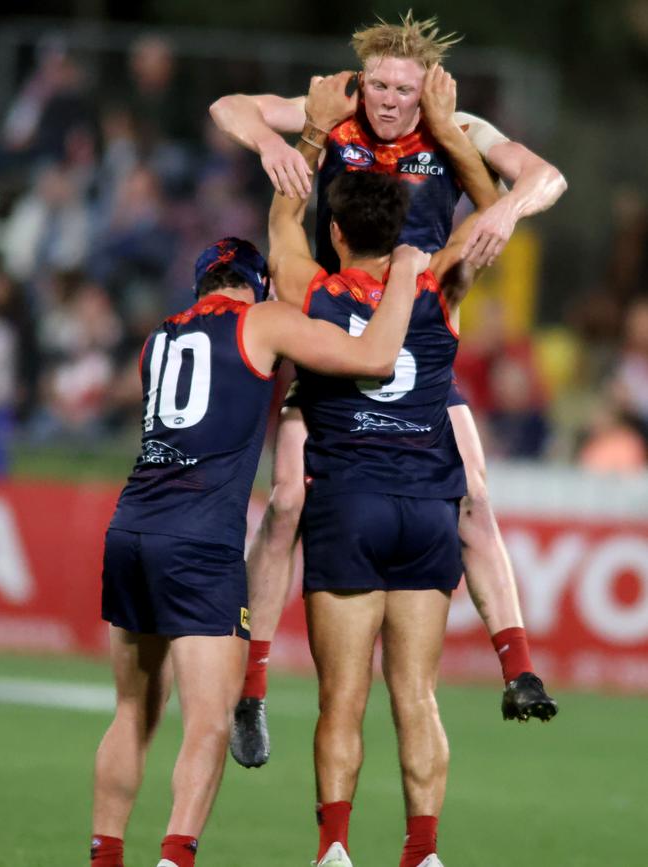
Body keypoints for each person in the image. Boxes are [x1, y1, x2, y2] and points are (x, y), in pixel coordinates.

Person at [210, 12, 565, 768]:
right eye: (379, 84)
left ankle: (521, 666)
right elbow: (227, 107)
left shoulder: (453, 119)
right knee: (286, 504)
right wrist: (275, 141)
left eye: (405, 87)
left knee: (474, 492)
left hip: (420, 338)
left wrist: (503, 204)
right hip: (334, 335)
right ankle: (253, 688)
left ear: (424, 85)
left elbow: (547, 177)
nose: (391, 100)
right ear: (361, 78)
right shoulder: (334, 102)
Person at [90, 229, 425, 867]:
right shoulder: (262, 320)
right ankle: (176, 858)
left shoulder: (158, 337)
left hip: (130, 529)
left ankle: (104, 856)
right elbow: (377, 358)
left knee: (132, 711)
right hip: (200, 544)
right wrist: (406, 272)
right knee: (210, 723)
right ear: (256, 283)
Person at [266, 90, 480, 867]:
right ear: (400, 232)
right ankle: (422, 852)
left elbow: (280, 225)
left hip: (349, 503)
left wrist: (315, 138)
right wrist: (453, 140)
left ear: (336, 231)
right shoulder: (438, 285)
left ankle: (334, 849)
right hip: (427, 506)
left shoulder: (312, 292)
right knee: (416, 694)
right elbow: (484, 222)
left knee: (342, 698)